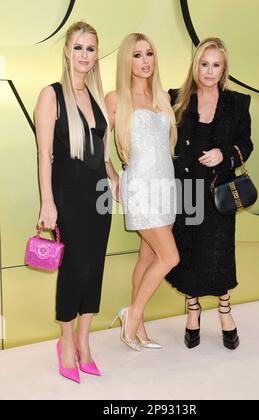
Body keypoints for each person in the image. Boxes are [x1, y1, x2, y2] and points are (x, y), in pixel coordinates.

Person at [34, 21, 119, 382]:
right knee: (73, 269)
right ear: (67, 51)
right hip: (67, 196)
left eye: (91, 48)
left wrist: (112, 174)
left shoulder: (99, 97)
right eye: (79, 47)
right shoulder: (50, 95)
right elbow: (44, 154)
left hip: (99, 195)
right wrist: (47, 203)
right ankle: (66, 342)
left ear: (97, 54)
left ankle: (85, 341)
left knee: (94, 267)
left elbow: (100, 152)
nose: (85, 55)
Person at [166, 37, 254, 350]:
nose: (209, 70)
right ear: (196, 65)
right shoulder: (176, 99)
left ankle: (225, 313)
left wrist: (224, 154)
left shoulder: (237, 102)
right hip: (187, 188)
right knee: (188, 251)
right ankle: (192, 313)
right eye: (204, 64)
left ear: (223, 69)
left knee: (219, 253)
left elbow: (246, 144)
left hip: (219, 191)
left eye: (216, 65)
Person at [106, 33, 179, 351]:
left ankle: (140, 326)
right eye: (137, 55)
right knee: (170, 256)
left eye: (149, 53)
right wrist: (114, 177)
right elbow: (98, 147)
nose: (145, 61)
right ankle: (131, 315)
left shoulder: (162, 97)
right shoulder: (115, 99)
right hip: (140, 187)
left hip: (166, 187)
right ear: (127, 60)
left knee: (148, 256)